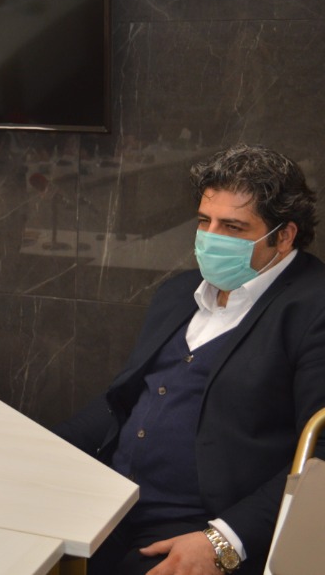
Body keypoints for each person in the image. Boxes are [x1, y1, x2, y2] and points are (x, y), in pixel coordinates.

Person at [53, 144, 325, 575]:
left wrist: (223, 540)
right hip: (113, 502)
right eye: (204, 221)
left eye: (232, 226)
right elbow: (124, 400)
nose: (211, 237)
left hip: (203, 527)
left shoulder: (314, 309)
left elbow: (320, 454)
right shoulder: (180, 292)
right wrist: (42, 448)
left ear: (284, 235)